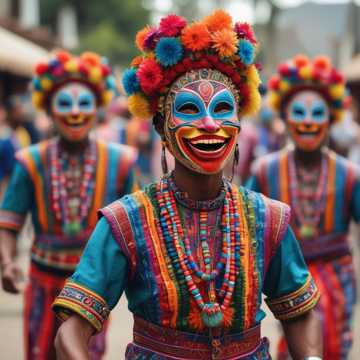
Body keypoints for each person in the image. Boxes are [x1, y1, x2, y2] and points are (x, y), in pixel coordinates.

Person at [53, 11, 322, 360]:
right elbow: (71, 331)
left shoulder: (268, 218)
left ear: (239, 122)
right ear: (162, 127)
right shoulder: (127, 220)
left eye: (223, 108)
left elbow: (300, 314)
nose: (210, 124)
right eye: (191, 109)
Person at [0, 51, 138, 360]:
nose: (74, 112)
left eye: (83, 103)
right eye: (64, 103)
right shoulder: (30, 161)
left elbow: (137, 226)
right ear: (48, 109)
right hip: (42, 282)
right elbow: (9, 223)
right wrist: (7, 262)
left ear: (97, 108)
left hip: (95, 286)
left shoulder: (121, 161)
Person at [247, 54, 357, 360]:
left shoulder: (350, 174)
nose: (308, 120)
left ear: (330, 119)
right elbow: (244, 225)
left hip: (337, 271)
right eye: (299, 112)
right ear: (285, 115)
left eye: (317, 113)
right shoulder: (264, 170)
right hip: (287, 273)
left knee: (334, 344)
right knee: (296, 342)